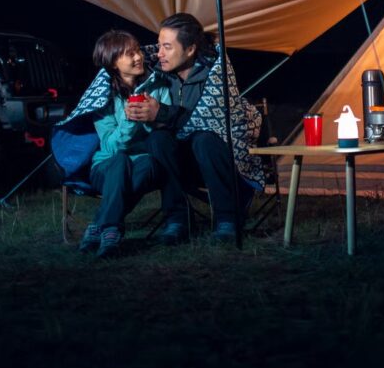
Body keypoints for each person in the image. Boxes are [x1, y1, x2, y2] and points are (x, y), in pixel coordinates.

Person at [126, 13, 255, 244]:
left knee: (204, 138)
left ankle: (228, 218)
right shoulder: (161, 75)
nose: (159, 54)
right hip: (181, 163)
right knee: (158, 139)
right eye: (158, 46)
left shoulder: (216, 74)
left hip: (222, 159)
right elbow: (117, 62)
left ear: (190, 49)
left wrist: (162, 113)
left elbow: (209, 120)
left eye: (167, 47)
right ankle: (177, 219)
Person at [53, 30, 171, 258]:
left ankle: (100, 225)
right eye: (129, 54)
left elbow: (164, 130)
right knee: (119, 160)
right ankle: (112, 231)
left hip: (143, 162)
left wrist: (153, 114)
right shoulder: (102, 96)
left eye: (137, 50)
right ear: (113, 63)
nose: (138, 57)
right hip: (106, 166)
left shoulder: (157, 86)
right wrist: (129, 120)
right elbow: (111, 147)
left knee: (147, 164)